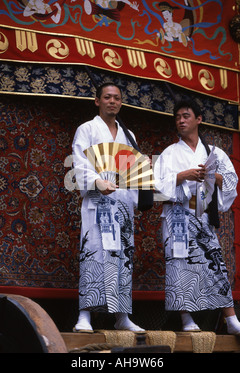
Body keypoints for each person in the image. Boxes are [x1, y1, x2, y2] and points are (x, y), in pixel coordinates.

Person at [154, 99, 240, 335]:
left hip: (202, 215)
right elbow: (157, 188)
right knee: (180, 264)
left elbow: (232, 182)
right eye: (178, 117)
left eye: (186, 116)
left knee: (215, 265)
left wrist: (214, 176)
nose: (181, 121)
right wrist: (184, 175)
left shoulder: (214, 152)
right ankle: (186, 318)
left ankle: (231, 320)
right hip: (178, 216)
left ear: (198, 119)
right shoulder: (169, 153)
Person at [71, 83, 144, 333]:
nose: (112, 101)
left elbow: (132, 173)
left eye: (116, 98)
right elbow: (79, 162)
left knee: (122, 259)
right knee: (93, 255)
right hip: (97, 202)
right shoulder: (87, 129)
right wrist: (96, 182)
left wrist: (130, 200)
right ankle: (85, 315)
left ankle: (122, 316)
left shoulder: (128, 135)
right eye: (107, 97)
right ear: (97, 101)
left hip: (121, 206)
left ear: (121, 103)